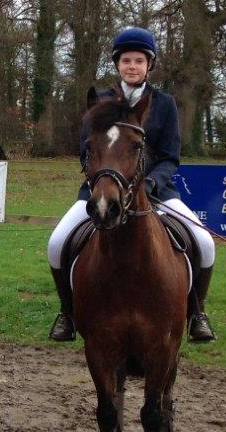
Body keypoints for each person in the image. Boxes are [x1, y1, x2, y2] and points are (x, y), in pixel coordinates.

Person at [46, 26, 216, 343]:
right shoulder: (100, 101)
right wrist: (97, 180)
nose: (132, 66)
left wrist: (150, 182)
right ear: (117, 64)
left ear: (149, 65)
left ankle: (197, 313)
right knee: (56, 243)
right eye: (126, 60)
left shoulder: (164, 103)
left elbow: (170, 157)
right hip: (104, 189)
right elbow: (86, 150)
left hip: (155, 192)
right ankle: (67, 313)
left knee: (204, 242)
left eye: (139, 60)